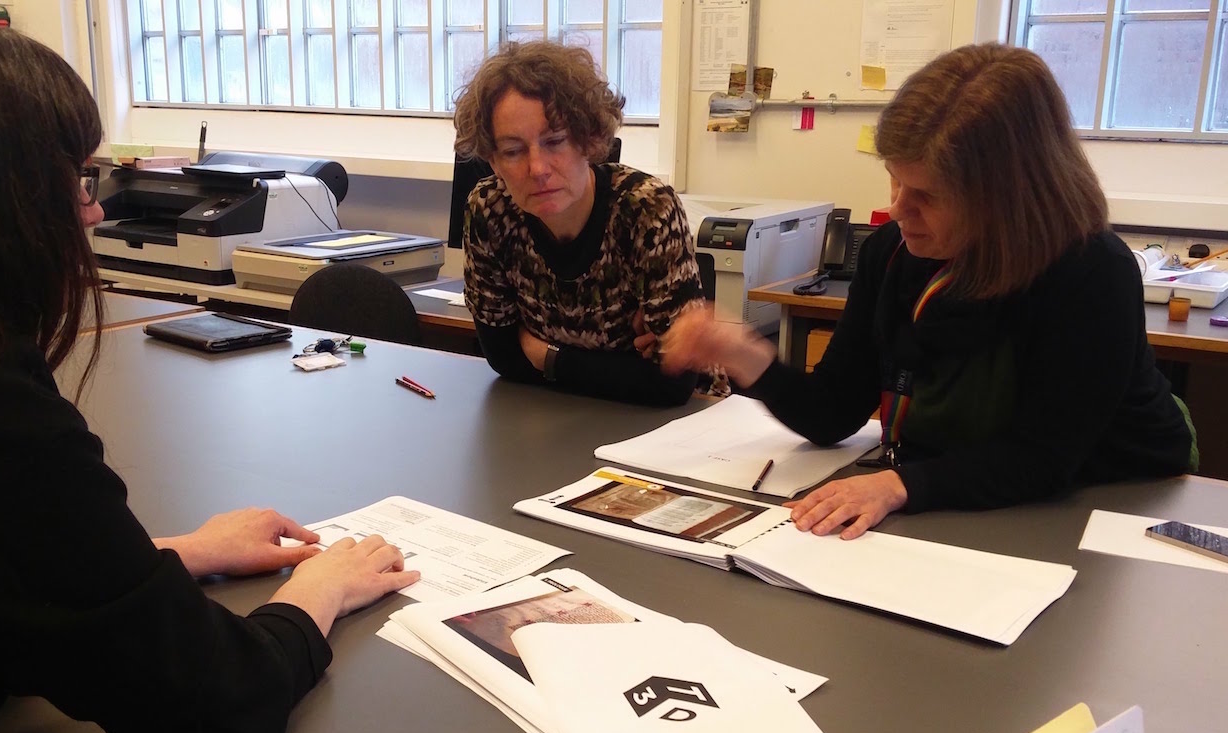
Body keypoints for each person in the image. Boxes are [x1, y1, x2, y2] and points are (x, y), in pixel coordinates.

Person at [0, 17, 417, 733]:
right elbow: (210, 699)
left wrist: (172, 554)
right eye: (73, 182)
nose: (94, 213)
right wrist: (321, 589)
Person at [661, 43, 1195, 539]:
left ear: (1010, 198)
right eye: (895, 179)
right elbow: (833, 414)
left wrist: (901, 485)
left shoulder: (1090, 272)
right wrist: (744, 355)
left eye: (928, 195)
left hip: (1118, 496)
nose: (897, 208)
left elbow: (1043, 457)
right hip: (976, 485)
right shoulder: (894, 254)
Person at [454, 40, 706, 406]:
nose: (537, 168)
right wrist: (622, 368)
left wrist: (545, 355)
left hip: (679, 427)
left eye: (555, 141)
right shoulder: (490, 211)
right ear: (492, 160)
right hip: (554, 415)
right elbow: (504, 359)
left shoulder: (646, 210)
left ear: (589, 139)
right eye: (512, 151)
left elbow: (673, 384)